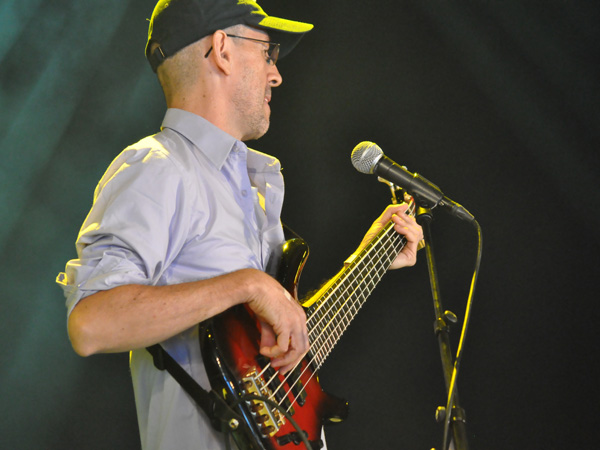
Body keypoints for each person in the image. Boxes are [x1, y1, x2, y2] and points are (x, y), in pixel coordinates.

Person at [56, 0, 424, 449]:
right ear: (222, 49)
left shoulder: (247, 186)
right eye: (267, 52)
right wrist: (248, 285)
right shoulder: (158, 167)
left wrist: (371, 260)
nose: (276, 74)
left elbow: (274, 348)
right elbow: (91, 323)